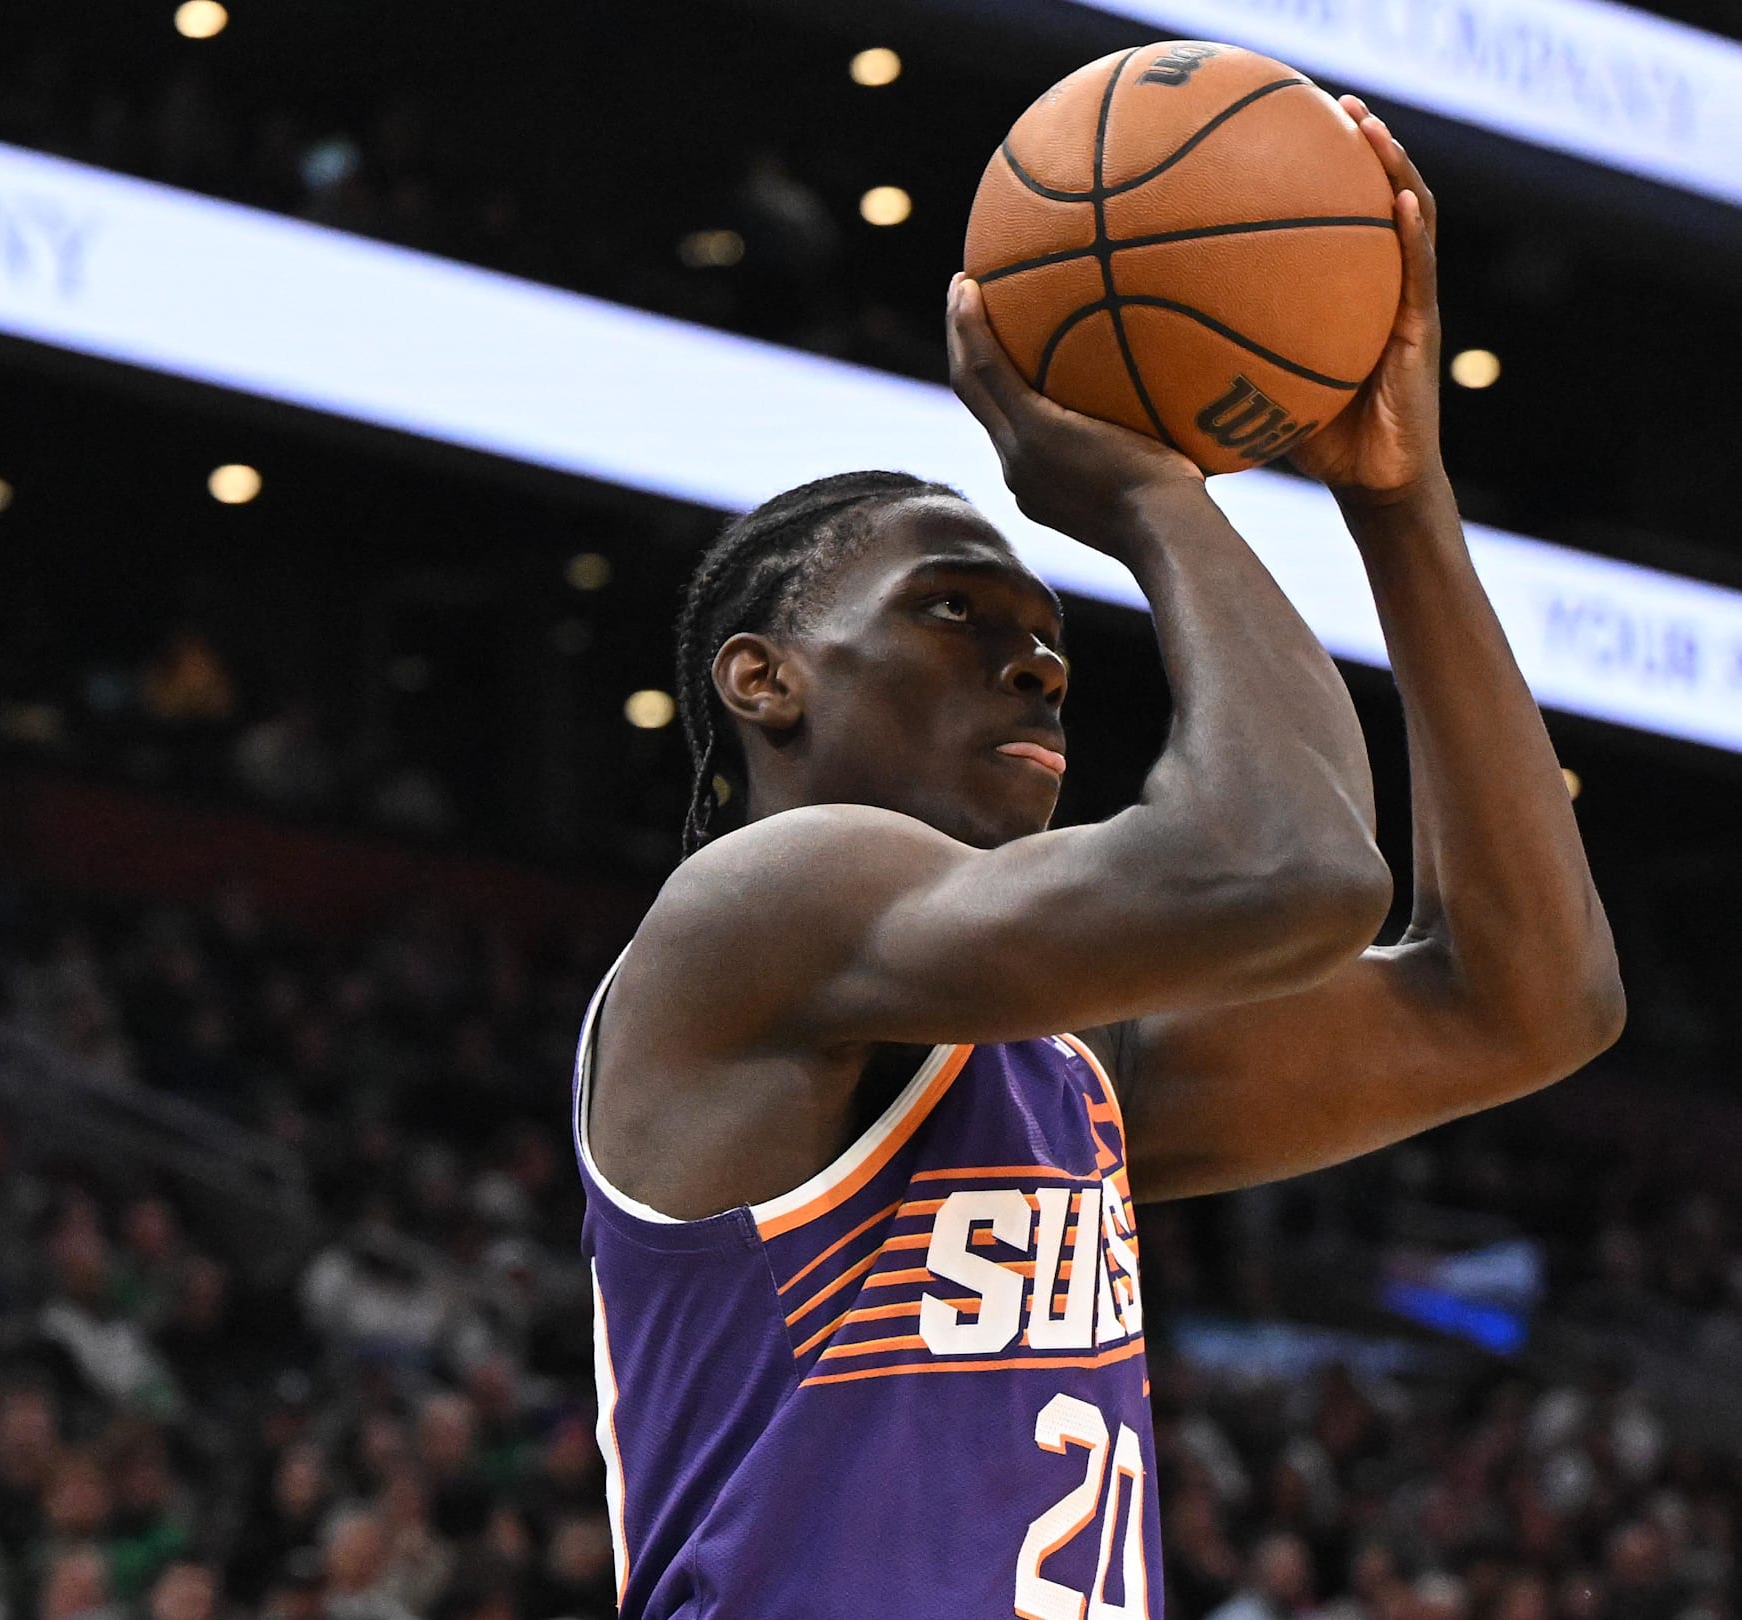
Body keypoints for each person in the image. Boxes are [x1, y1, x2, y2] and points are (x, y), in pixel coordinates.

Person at [576, 93, 1621, 1619]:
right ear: (764, 681)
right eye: (953, 609)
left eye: (1053, 638)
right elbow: (1301, 867)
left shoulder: (1072, 1071)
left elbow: (1530, 1002)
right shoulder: (757, 906)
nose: (1037, 663)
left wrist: (1401, 501)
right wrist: (1146, 496)